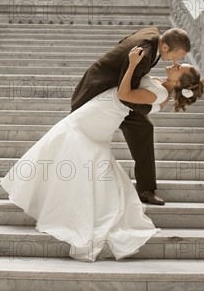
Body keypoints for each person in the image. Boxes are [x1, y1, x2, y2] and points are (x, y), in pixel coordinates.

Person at [0, 47, 204, 262]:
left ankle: (64, 209)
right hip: (100, 110)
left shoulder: (161, 93)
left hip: (103, 114)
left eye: (179, 67)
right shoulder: (162, 87)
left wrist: (133, 63)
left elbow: (124, 94)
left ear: (179, 81)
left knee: (72, 140)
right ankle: (48, 198)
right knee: (68, 143)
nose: (175, 64)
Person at [71, 27, 191, 205]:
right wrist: (151, 107)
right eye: (177, 56)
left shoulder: (152, 33)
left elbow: (124, 43)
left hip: (107, 87)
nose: (176, 61)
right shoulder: (145, 54)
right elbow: (125, 96)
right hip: (97, 94)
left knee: (144, 127)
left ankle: (145, 189)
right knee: (84, 142)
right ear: (165, 47)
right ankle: (79, 186)